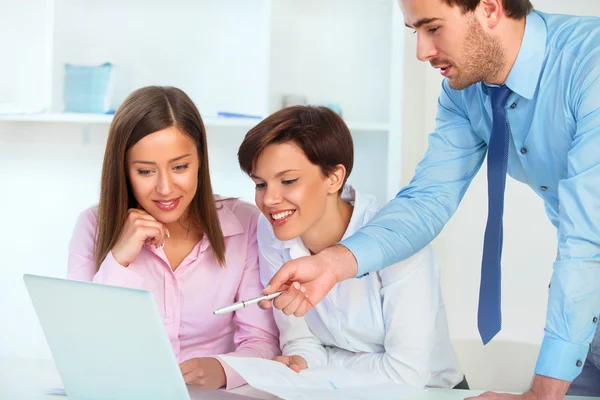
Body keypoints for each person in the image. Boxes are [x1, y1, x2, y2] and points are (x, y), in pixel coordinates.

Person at [261, 1, 600, 398]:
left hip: (582, 282)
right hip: (585, 310)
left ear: (490, 9)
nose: (422, 51)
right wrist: (334, 263)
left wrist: (542, 393)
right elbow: (427, 200)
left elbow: (585, 238)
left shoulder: (588, 67)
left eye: (433, 28)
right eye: (414, 32)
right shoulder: (464, 93)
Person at [237, 105, 467, 388]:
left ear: (333, 178)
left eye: (288, 181)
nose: (269, 200)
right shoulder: (273, 231)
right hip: (333, 391)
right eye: (260, 184)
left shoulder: (398, 240)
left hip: (431, 394)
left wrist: (325, 362)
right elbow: (300, 341)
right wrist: (301, 362)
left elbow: (405, 374)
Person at [67, 86, 280, 390]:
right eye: (145, 172)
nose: (166, 189)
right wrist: (119, 259)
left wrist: (223, 370)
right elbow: (81, 345)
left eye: (180, 167)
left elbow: (262, 341)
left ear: (200, 161)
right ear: (124, 171)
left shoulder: (245, 225)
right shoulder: (93, 225)